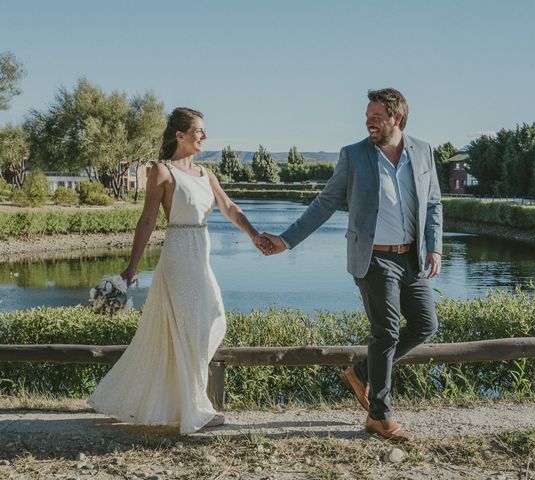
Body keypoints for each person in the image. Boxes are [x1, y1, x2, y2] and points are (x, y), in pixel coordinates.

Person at [262, 88, 442, 442]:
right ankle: (380, 415)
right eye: (367, 117)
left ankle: (360, 372)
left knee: (425, 324)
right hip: (373, 257)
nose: (368, 123)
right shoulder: (354, 155)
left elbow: (434, 202)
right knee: (387, 331)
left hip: (412, 257)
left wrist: (434, 247)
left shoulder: (423, 152)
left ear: (397, 118)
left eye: (376, 118)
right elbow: (325, 203)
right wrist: (286, 240)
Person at [89, 107, 269, 434]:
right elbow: (146, 221)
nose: (204, 135)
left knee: (212, 322)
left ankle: (184, 402)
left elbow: (229, 207)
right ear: (180, 135)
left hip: (200, 256)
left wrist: (254, 234)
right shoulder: (162, 172)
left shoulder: (205, 173)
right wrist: (131, 267)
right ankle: (194, 408)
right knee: (188, 330)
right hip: (178, 258)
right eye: (199, 130)